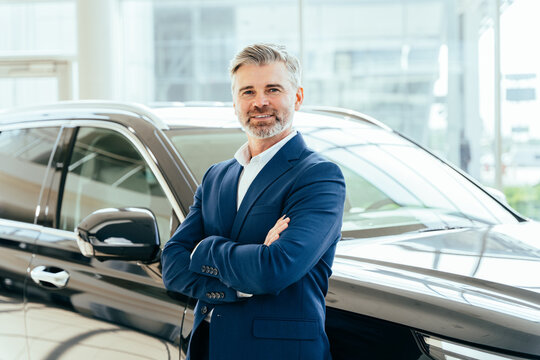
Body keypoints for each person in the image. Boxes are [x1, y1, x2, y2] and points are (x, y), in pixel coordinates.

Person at [162, 43, 346, 360]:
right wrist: (244, 273)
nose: (259, 102)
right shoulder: (216, 176)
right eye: (247, 92)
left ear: (297, 97)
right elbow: (173, 266)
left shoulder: (318, 176)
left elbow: (275, 268)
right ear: (234, 102)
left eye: (272, 89)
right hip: (208, 349)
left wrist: (204, 249)